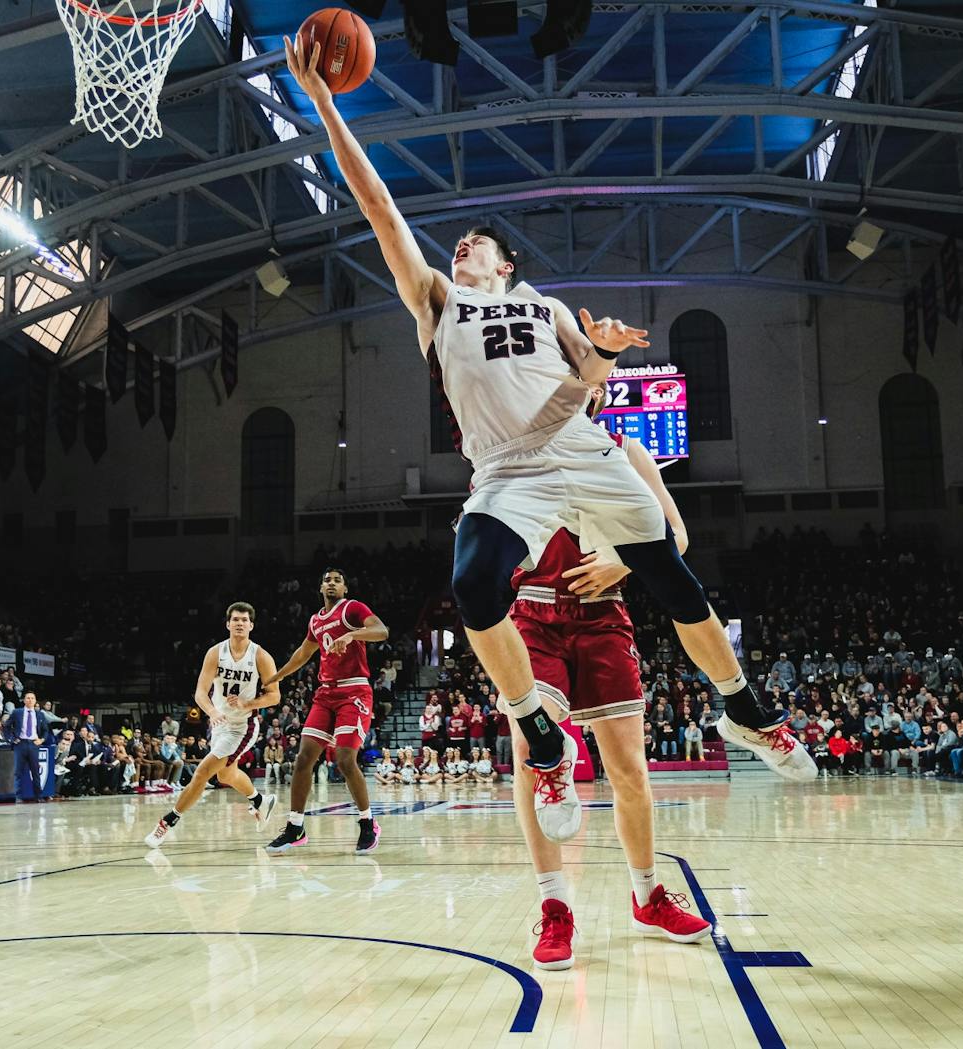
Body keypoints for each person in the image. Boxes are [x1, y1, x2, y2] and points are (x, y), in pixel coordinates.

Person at [284, 34, 805, 843]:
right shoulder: (436, 301)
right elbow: (380, 206)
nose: (462, 246)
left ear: (507, 260)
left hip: (580, 448)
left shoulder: (549, 307)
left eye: (476, 243)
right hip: (504, 469)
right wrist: (323, 103)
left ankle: (746, 708)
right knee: (475, 584)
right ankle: (538, 731)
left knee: (668, 568)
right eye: (458, 244)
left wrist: (596, 357)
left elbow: (580, 395)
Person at [506, 517, 712, 970]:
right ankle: (554, 908)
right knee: (530, 750)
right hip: (533, 614)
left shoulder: (624, 449)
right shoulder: (511, 448)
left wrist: (623, 560)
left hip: (604, 613)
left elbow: (676, 533)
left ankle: (648, 899)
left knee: (630, 771)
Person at [263, 568, 388, 855]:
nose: (331, 584)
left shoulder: (352, 608)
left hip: (354, 691)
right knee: (304, 758)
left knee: (345, 759)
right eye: (327, 580)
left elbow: (382, 631)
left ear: (344, 589)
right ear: (321, 587)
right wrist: (276, 677)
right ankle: (296, 828)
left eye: (337, 580)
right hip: (325, 693)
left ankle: (368, 823)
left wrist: (353, 635)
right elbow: (302, 654)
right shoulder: (316, 620)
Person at [146, 603, 280, 847]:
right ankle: (261, 801)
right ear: (228, 624)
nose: (240, 623)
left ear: (251, 625)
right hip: (219, 722)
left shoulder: (260, 656)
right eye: (235, 619)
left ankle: (168, 821)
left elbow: (274, 696)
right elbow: (200, 691)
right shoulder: (216, 653)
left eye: (244, 620)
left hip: (242, 726)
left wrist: (247, 703)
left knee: (202, 773)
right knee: (226, 774)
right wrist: (211, 710)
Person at [4, 692, 53, 802]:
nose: (30, 700)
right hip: (20, 744)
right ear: (24, 700)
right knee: (18, 772)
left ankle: (38, 796)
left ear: (35, 701)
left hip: (33, 744)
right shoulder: (17, 712)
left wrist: (42, 740)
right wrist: (11, 739)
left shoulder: (40, 714)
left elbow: (46, 730)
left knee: (35, 771)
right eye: (28, 698)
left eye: (32, 698)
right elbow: (6, 726)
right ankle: (18, 797)